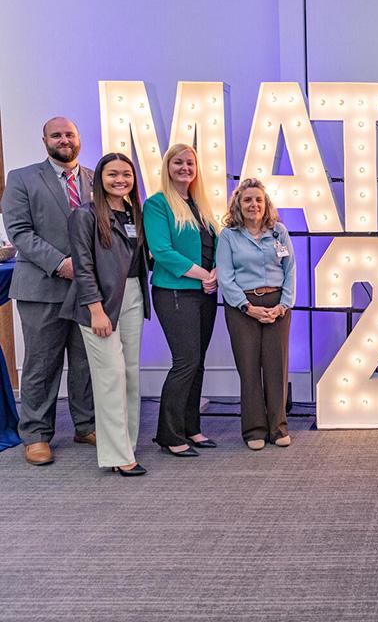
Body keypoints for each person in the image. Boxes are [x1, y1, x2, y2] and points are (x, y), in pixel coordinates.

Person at [1, 117, 95, 465]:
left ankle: (86, 425)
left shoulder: (95, 179)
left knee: (86, 362)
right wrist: (60, 263)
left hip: (86, 289)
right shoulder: (22, 178)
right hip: (43, 285)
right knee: (42, 363)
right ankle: (37, 434)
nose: (64, 140)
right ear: (44, 140)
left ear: (78, 138)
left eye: (70, 134)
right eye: (57, 135)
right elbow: (20, 232)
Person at [60, 154, 151, 476]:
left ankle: (126, 444)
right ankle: (117, 455)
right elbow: (83, 268)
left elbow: (140, 260)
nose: (120, 180)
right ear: (99, 178)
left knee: (129, 374)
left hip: (133, 296)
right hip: (99, 304)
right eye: (112, 174)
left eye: (126, 174)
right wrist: (95, 309)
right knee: (110, 377)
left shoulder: (134, 213)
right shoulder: (84, 215)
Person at [143, 143, 219, 457]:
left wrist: (215, 273)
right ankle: (169, 434)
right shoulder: (157, 204)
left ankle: (192, 428)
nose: (184, 168)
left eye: (189, 163)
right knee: (185, 362)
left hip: (205, 293)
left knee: (197, 363)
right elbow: (161, 251)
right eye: (178, 163)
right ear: (167, 167)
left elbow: (213, 244)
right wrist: (204, 274)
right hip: (175, 292)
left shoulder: (201, 205)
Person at [216, 179, 295, 450]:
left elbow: (291, 271)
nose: (254, 205)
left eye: (258, 200)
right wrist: (248, 307)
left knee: (276, 367)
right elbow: (225, 277)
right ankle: (254, 430)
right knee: (249, 368)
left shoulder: (279, 232)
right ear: (238, 204)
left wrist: (283, 305)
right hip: (242, 307)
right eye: (247, 200)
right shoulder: (229, 235)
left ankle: (279, 427)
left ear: (266, 204)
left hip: (277, 305)